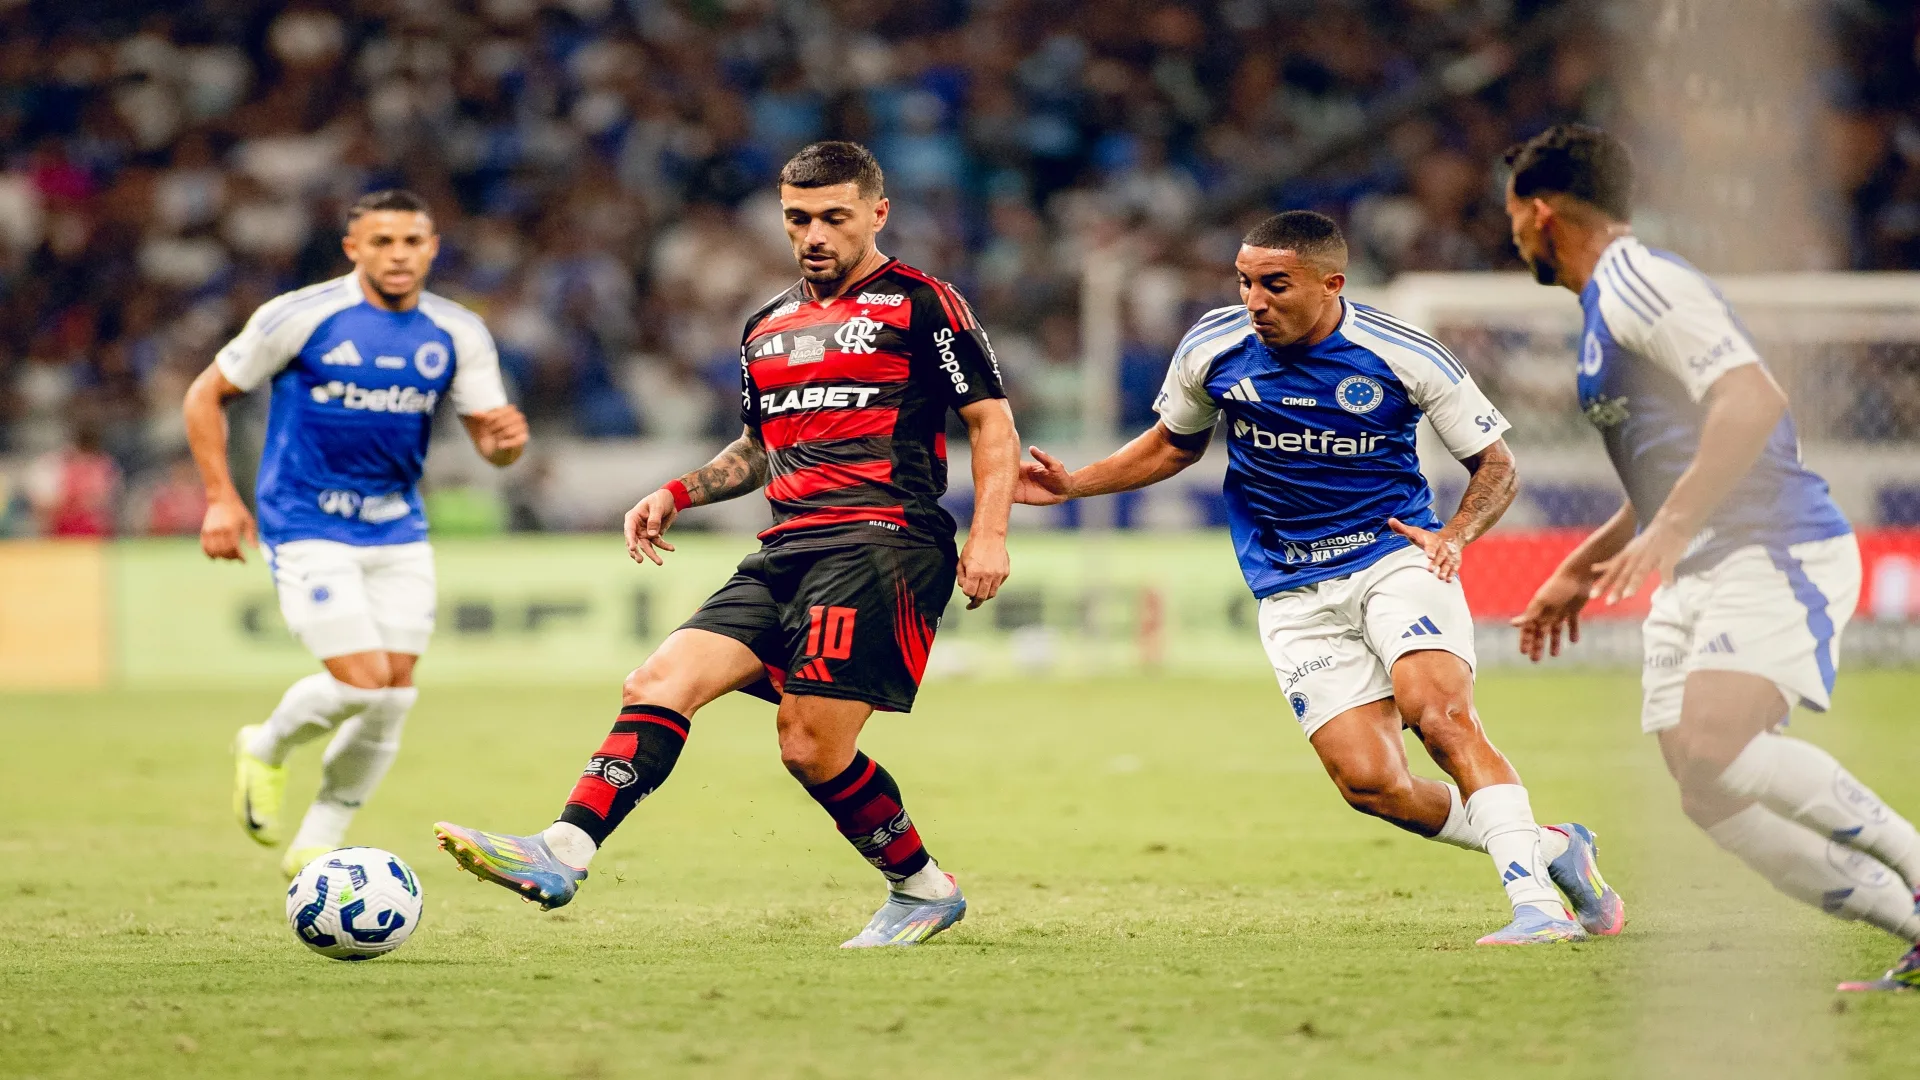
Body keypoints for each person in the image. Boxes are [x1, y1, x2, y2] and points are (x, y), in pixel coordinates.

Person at [434, 141, 1019, 949]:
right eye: (797, 219)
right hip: (785, 547)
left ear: (877, 215)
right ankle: (561, 851)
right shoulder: (767, 326)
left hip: (880, 541)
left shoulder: (925, 304)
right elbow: (756, 448)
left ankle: (921, 887)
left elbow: (991, 420)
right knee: (658, 679)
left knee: (810, 748)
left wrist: (989, 534)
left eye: (833, 218)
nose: (814, 235)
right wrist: (675, 492)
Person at [1016, 210, 1622, 945]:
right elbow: (1173, 447)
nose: (1254, 301)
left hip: (1395, 555)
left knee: (1441, 716)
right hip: (1290, 585)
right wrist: (1076, 483)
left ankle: (1535, 907)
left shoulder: (1401, 352)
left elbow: (1497, 465)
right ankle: (1555, 848)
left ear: (1331, 283)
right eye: (1244, 282)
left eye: (1275, 284)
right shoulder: (1214, 346)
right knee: (1373, 785)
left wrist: (1454, 534)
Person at [1503, 124, 1920, 990]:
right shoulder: (1602, 305)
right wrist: (1586, 564)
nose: (1511, 235)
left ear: (1542, 214)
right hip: (1704, 562)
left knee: (1718, 744)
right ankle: (1908, 925)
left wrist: (1671, 526)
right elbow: (1674, 460)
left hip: (1773, 542)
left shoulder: (1637, 282)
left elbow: (1751, 398)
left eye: (1513, 216)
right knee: (1705, 785)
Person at [183, 189, 527, 878]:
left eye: (411, 242)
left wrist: (508, 445)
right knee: (364, 681)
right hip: (306, 521)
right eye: (382, 242)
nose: (397, 255)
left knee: (395, 692)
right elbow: (205, 394)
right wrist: (221, 498)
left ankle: (317, 838)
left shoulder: (457, 332)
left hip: (397, 526)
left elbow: (495, 445)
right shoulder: (302, 316)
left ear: (432, 248)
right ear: (354, 248)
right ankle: (267, 743)